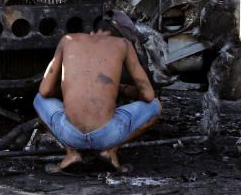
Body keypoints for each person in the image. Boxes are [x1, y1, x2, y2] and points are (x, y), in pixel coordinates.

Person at [33, 10, 161, 174]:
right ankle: (110, 151)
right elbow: (149, 95)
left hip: (70, 134)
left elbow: (44, 91)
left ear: (96, 27)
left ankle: (71, 153)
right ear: (123, 35)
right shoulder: (123, 45)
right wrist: (123, 90)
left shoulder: (67, 40)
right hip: (108, 136)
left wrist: (68, 90)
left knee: (38, 100)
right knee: (155, 106)